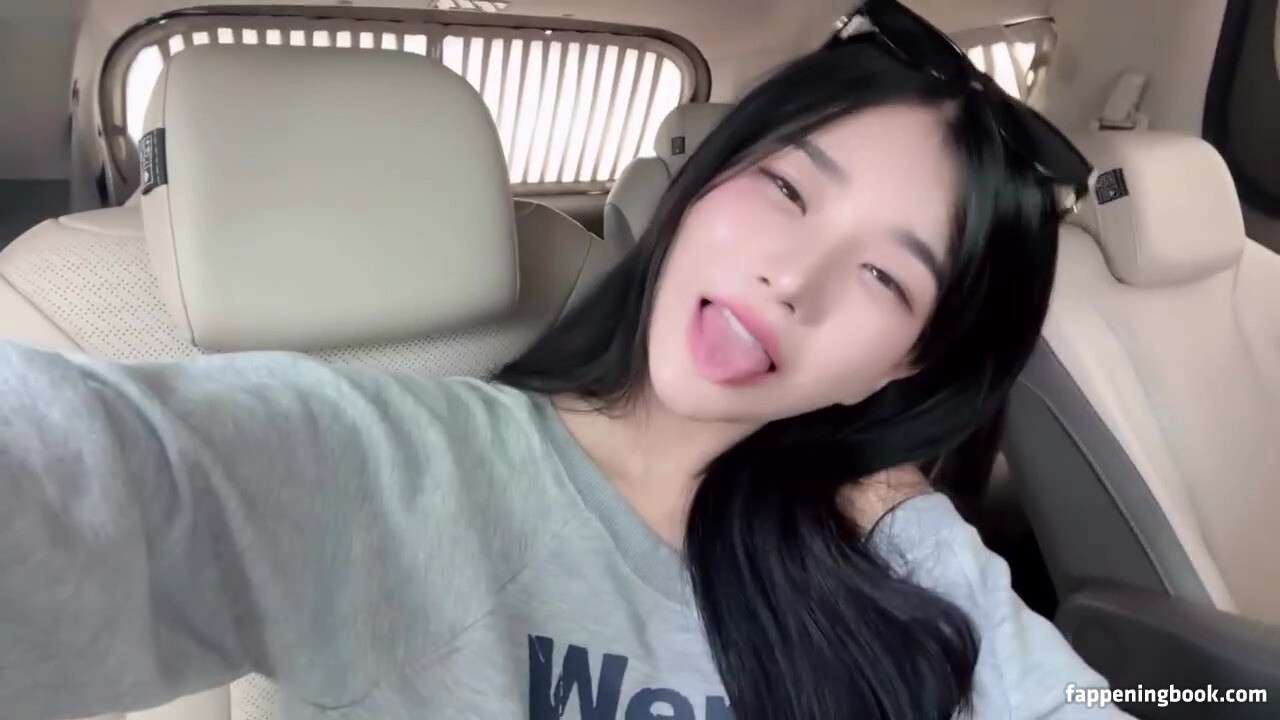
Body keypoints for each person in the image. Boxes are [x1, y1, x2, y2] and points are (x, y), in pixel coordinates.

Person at [0, 1, 1130, 719]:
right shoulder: (409, 474)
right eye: (787, 188)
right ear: (700, 188)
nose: (795, 277)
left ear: (903, 367)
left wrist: (901, 519)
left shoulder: (892, 550)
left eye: (884, 276)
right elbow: (98, 479)